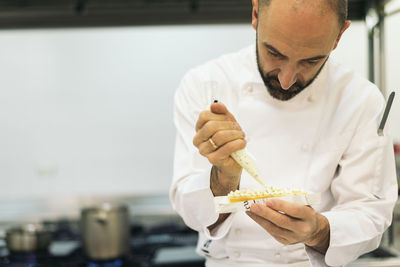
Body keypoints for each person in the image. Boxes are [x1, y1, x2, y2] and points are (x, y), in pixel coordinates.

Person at [170, 0, 398, 266]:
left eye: (311, 61)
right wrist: (224, 178)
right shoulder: (205, 84)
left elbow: (371, 212)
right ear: (255, 14)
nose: (287, 80)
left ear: (339, 36)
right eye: (274, 53)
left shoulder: (360, 100)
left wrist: (319, 231)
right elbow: (191, 212)